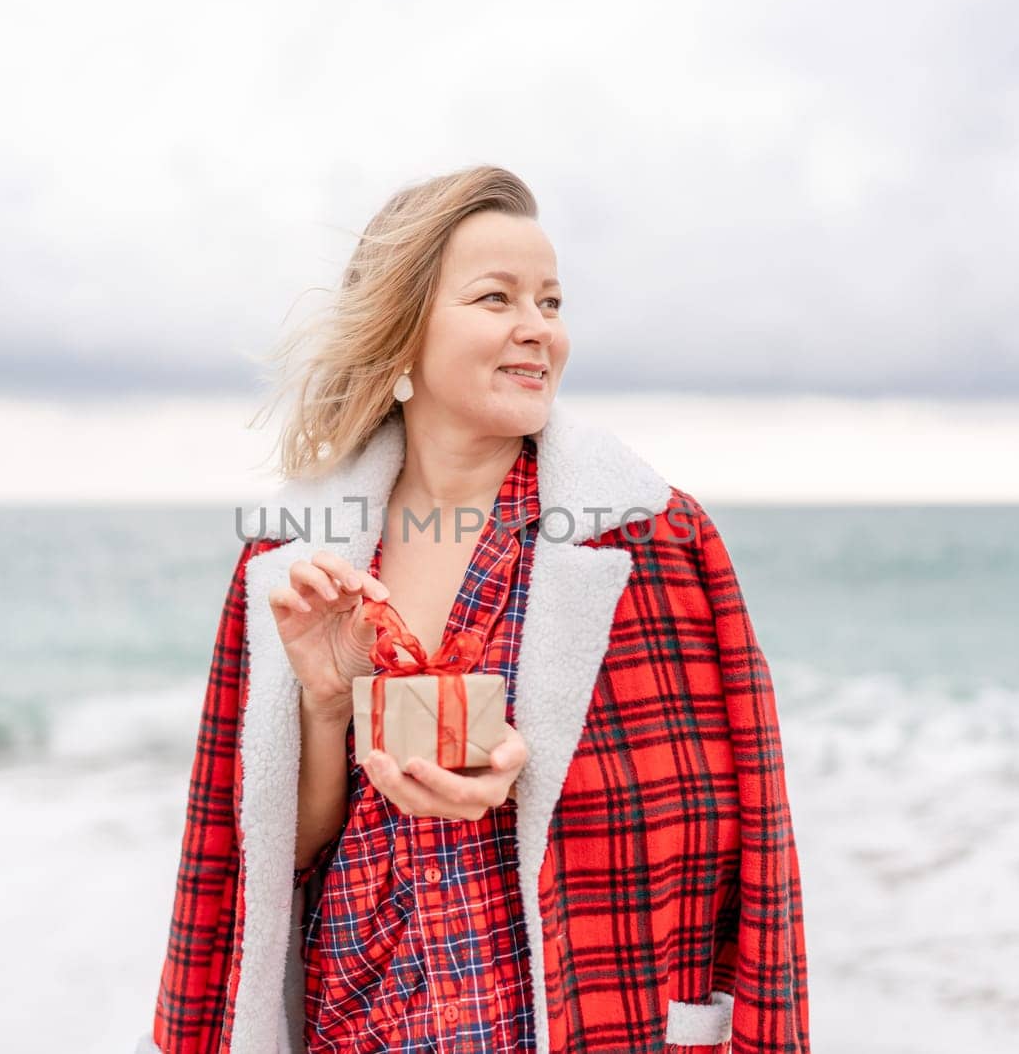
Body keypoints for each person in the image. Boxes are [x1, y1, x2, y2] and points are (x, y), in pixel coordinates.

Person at [138, 165, 809, 1053]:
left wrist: (534, 778)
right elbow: (270, 851)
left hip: (570, 1021)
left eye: (553, 302)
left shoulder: (651, 539)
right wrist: (326, 701)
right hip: (364, 1019)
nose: (539, 330)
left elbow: (741, 838)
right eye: (497, 299)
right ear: (404, 332)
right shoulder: (291, 556)